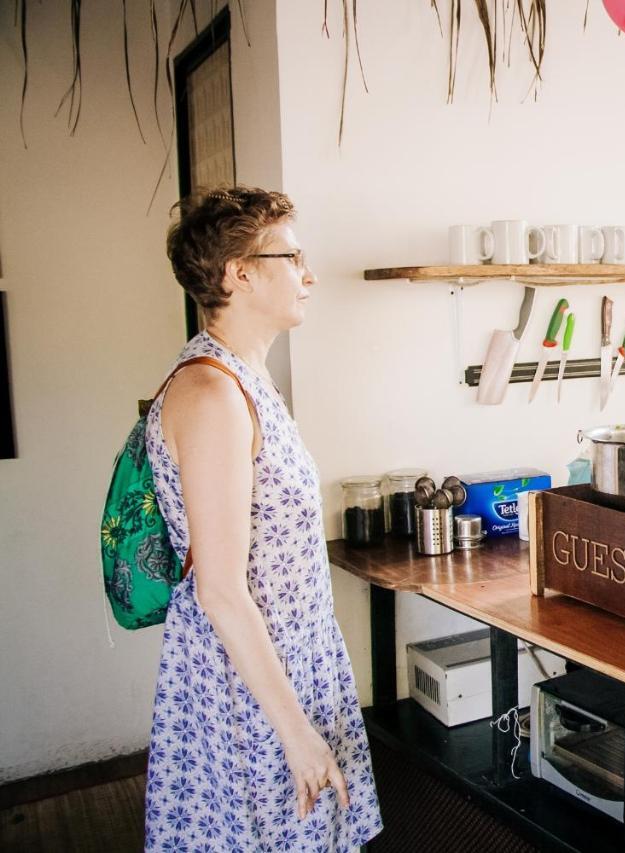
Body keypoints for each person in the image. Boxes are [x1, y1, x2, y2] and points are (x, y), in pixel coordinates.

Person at [143, 186, 381, 850]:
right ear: (237, 274)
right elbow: (219, 588)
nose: (308, 274)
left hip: (287, 662)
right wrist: (296, 732)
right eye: (292, 256)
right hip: (247, 687)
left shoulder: (245, 375)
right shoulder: (212, 390)